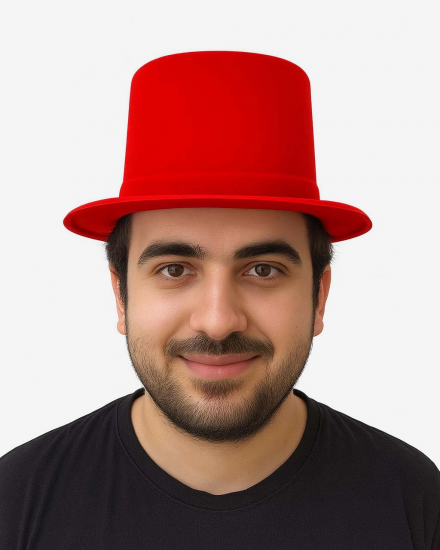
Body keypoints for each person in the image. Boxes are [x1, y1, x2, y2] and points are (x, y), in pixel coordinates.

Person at [1, 50, 438, 549]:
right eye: (174, 270)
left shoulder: (413, 499)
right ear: (121, 296)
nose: (217, 321)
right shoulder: (17, 502)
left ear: (319, 297)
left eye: (262, 270)